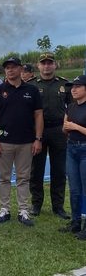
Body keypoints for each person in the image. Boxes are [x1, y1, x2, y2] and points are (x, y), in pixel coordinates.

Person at [0, 57, 43, 227]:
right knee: (3, 177)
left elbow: (39, 115)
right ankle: (4, 209)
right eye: (7, 68)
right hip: (3, 142)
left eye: (13, 67)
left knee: (23, 178)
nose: (10, 70)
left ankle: (23, 211)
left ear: (21, 69)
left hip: (26, 142)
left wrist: (38, 139)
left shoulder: (32, 90)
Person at [28, 52, 70, 219]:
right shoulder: (31, 85)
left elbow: (71, 109)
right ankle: (36, 204)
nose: (46, 66)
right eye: (43, 63)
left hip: (59, 131)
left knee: (59, 170)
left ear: (55, 65)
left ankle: (58, 207)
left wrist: (68, 129)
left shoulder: (64, 84)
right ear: (38, 66)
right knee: (36, 170)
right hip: (38, 131)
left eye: (49, 63)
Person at [62, 75, 86, 237]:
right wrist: (67, 128)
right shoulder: (70, 107)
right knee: (74, 188)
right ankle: (75, 222)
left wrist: (75, 126)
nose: (74, 89)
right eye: (72, 86)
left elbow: (72, 126)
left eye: (78, 86)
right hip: (71, 148)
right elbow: (65, 128)